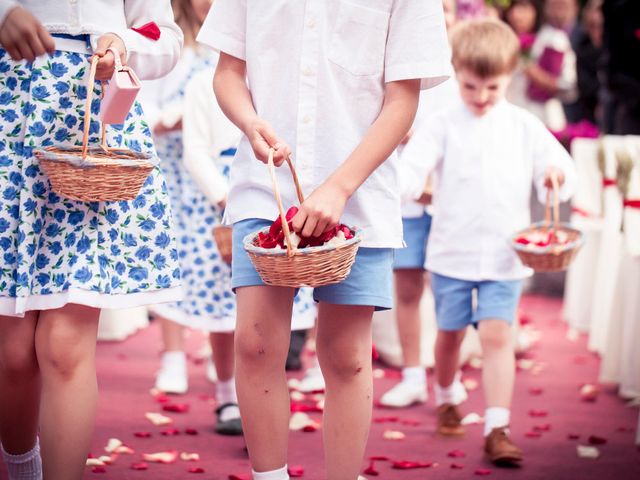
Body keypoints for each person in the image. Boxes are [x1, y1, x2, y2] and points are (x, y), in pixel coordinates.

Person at [198, 1, 452, 478]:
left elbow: (403, 101)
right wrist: (250, 122)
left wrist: (339, 187)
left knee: (347, 355)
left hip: (361, 195)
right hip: (266, 184)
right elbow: (228, 72)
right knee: (254, 343)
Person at [0, 1, 183, 479]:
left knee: (64, 344)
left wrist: (125, 43)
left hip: (90, 129)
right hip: (8, 114)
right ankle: (22, 468)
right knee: (13, 351)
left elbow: (167, 37)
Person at [402, 18, 574, 466]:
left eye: (492, 88)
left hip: (504, 254)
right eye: (470, 86)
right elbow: (410, 169)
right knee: (450, 336)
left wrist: (554, 176)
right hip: (451, 254)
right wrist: (401, 182)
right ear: (456, 72)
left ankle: (498, 426)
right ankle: (445, 394)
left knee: (498, 335)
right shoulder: (441, 123)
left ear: (510, 76)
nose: (480, 97)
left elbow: (552, 163)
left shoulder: (524, 125)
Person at [380, 0, 467, 409]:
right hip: (407, 197)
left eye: (447, 7)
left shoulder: (461, 75)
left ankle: (451, 372)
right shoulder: (391, 61)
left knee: (451, 287)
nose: (441, 14)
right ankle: (413, 373)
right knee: (408, 286)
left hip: (450, 201)